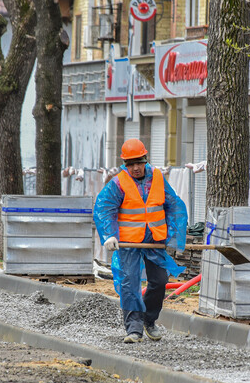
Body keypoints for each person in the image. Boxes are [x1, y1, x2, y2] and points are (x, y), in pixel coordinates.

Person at [93, 138, 187, 344]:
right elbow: (104, 209)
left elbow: (174, 205)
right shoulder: (118, 183)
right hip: (128, 243)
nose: (135, 168)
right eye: (131, 163)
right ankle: (134, 329)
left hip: (154, 240)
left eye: (139, 162)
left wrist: (171, 233)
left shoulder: (159, 179)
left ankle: (148, 319)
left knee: (160, 281)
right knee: (129, 283)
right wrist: (109, 234)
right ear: (125, 164)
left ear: (146, 159)